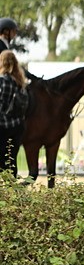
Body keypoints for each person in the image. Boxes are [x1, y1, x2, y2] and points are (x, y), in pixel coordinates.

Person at [0, 50, 30, 181]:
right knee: (12, 160)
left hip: (3, 126)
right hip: (18, 126)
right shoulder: (19, 81)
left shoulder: (2, 81)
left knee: (2, 161)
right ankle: (13, 191)